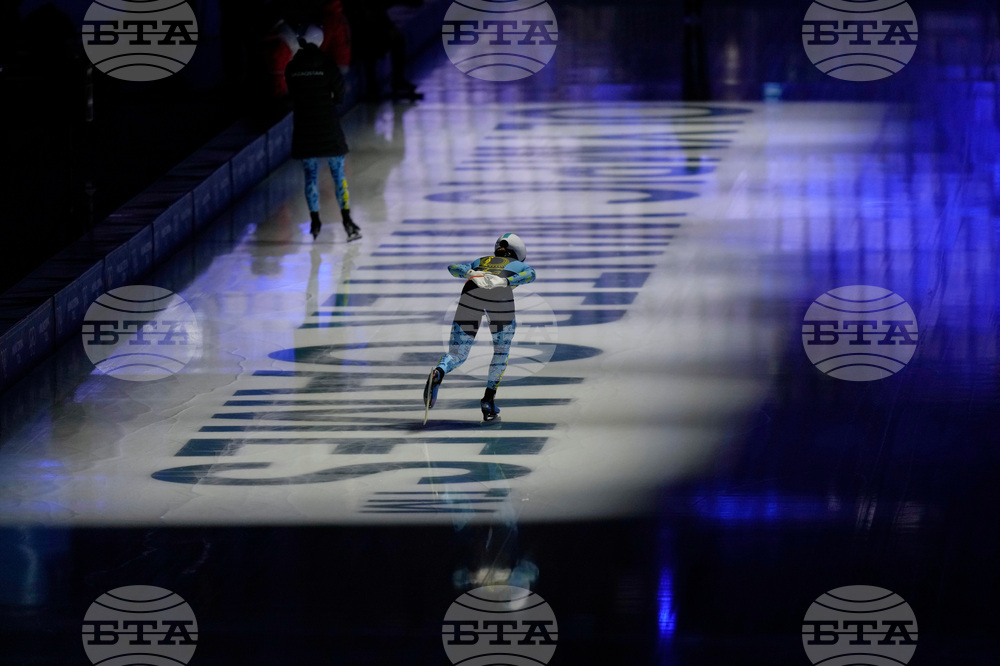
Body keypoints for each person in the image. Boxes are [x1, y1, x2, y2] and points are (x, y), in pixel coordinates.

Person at [424, 234, 536, 423]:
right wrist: (505, 281)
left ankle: (439, 371)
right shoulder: (518, 265)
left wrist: (470, 273)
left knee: (458, 353)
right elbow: (530, 274)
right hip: (501, 298)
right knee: (501, 352)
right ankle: (488, 400)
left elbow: (453, 268)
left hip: (471, 294)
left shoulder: (480, 261)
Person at [285, 25, 361, 241]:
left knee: (310, 175)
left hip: (304, 128)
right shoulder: (328, 65)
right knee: (338, 175)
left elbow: (292, 94)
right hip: (328, 127)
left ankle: (315, 221)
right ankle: (347, 220)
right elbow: (340, 94)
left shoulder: (292, 66)